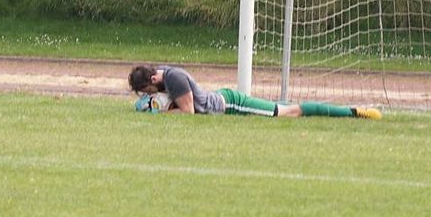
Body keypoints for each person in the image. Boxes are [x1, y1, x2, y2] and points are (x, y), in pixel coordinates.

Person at [128, 65, 382, 119]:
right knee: (282, 106)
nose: (148, 95)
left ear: (153, 79)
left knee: (288, 112)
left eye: (147, 91)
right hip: (221, 97)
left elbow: (189, 112)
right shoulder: (162, 74)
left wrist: (158, 114)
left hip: (231, 104)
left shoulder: (173, 77)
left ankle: (353, 112)